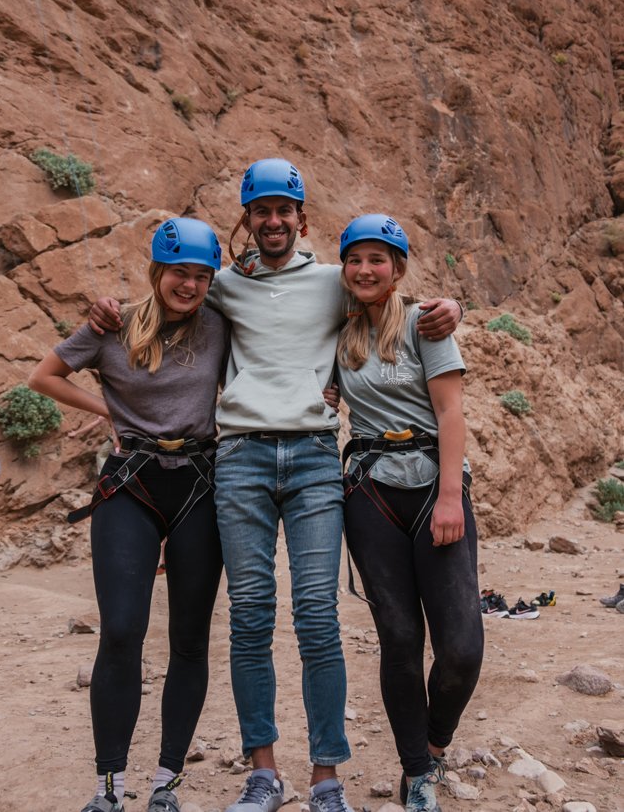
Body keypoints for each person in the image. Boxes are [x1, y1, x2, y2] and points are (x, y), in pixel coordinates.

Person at [89, 160, 463, 812]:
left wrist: (454, 305)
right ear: (247, 220)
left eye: (282, 210)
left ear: (301, 219)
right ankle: (263, 772)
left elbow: (390, 293)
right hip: (240, 461)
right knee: (251, 618)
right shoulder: (224, 285)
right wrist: (103, 313)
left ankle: (326, 778)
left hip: (318, 460)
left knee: (318, 617)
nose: (272, 221)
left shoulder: (333, 282)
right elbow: (164, 299)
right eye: (259, 211)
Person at [29, 218, 229, 812]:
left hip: (199, 483)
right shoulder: (112, 326)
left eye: (200, 275)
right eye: (179, 273)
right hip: (132, 484)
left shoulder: (221, 326)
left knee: (190, 640)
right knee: (121, 630)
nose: (189, 285)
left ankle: (166, 783)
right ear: (157, 271)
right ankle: (108, 787)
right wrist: (108, 409)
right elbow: (43, 376)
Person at [336, 215, 483, 812]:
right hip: (370, 491)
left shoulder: (427, 323)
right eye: (356, 259)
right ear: (344, 269)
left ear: (397, 269)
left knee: (461, 649)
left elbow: (451, 413)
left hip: (433, 486)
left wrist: (451, 495)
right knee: (399, 639)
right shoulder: (337, 334)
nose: (366, 269)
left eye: (379, 259)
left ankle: (435, 739)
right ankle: (417, 771)